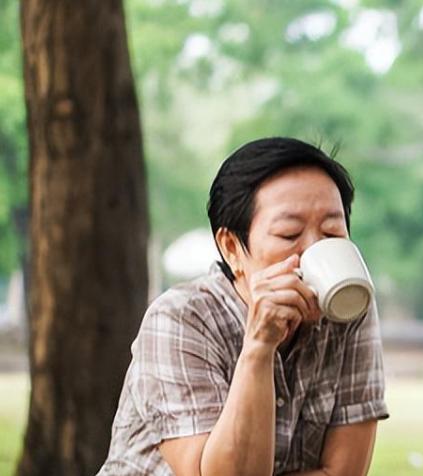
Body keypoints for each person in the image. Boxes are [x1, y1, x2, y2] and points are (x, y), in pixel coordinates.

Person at [100, 137, 388, 475]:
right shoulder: (181, 319)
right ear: (231, 248)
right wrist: (259, 346)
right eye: (289, 234)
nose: (312, 250)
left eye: (332, 231)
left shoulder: (349, 308)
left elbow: (345, 472)